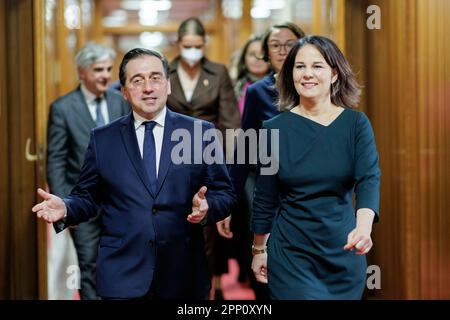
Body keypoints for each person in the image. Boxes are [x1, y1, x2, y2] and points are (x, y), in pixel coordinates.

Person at [34, 48, 236, 300]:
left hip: (183, 273)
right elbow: (87, 197)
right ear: (124, 92)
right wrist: (66, 207)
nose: (148, 88)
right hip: (122, 273)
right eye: (137, 81)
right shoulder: (103, 139)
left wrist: (209, 207)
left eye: (155, 78)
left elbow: (225, 193)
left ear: (168, 85)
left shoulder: (200, 132)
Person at [251, 35, 381, 299]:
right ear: (291, 74)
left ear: (334, 74)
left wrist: (364, 227)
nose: (307, 74)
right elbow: (264, 197)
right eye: (300, 67)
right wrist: (259, 250)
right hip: (292, 255)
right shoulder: (271, 130)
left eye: (317, 66)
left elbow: (368, 178)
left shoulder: (356, 124)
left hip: (343, 252)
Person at [226, 22, 305, 300]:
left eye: (290, 43)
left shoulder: (314, 84)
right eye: (275, 45)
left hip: (310, 191)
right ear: (266, 53)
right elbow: (245, 149)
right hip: (271, 188)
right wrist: (228, 202)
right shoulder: (258, 91)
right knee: (269, 271)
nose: (283, 50)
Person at [46, 42, 130, 299]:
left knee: (119, 264)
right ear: (82, 72)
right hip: (82, 205)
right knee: (88, 266)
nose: (105, 75)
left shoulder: (121, 102)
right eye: (98, 69)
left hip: (120, 203)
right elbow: (57, 160)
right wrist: (65, 208)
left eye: (108, 69)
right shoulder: (63, 108)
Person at [167, 17, 240, 300]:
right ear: (178, 43)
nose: (193, 51)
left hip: (207, 161)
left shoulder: (218, 72)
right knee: (171, 230)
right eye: (187, 46)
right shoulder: (166, 71)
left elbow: (231, 125)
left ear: (204, 44)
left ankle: (203, 295)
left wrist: (225, 170)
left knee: (205, 236)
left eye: (198, 46)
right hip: (170, 160)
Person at [227, 35, 269, 285]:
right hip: (243, 160)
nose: (255, 59)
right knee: (247, 215)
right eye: (250, 54)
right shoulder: (235, 85)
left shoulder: (277, 86)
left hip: (268, 159)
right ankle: (248, 266)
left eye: (260, 54)